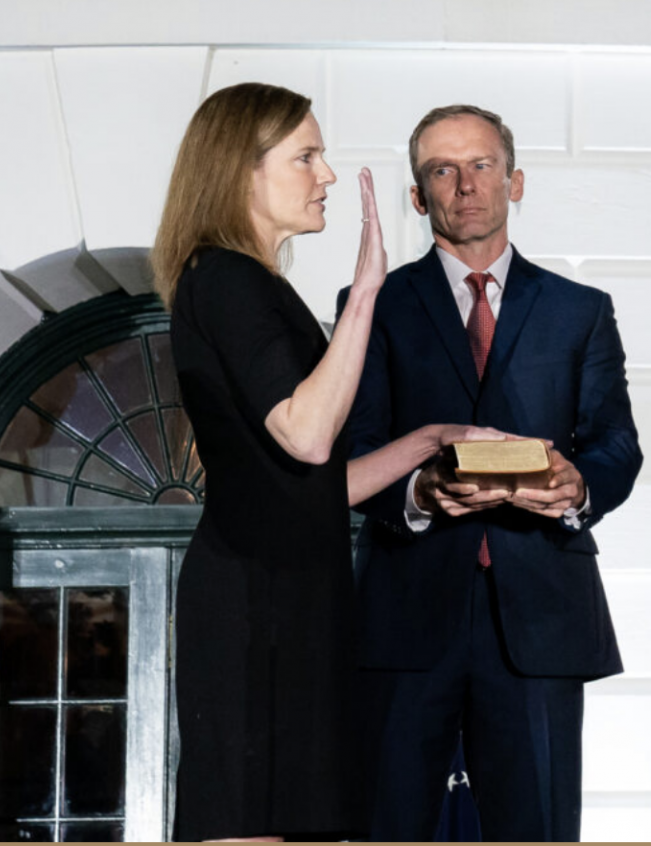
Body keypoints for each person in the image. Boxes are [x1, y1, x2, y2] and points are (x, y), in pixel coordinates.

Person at [153, 83, 504, 843]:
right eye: (306, 156)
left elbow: (314, 486)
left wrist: (429, 440)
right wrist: (368, 288)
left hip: (294, 592)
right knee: (250, 821)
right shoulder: (226, 278)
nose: (328, 175)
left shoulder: (250, 284)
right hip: (256, 601)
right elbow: (307, 436)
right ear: (240, 170)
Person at [337, 104, 643, 842]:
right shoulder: (370, 309)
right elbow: (357, 447)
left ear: (515, 181)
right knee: (390, 826)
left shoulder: (580, 311)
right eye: (442, 169)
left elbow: (616, 443)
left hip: (540, 611)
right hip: (409, 613)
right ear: (418, 197)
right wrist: (419, 493)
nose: (465, 185)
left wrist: (580, 487)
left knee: (536, 828)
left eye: (481, 165)